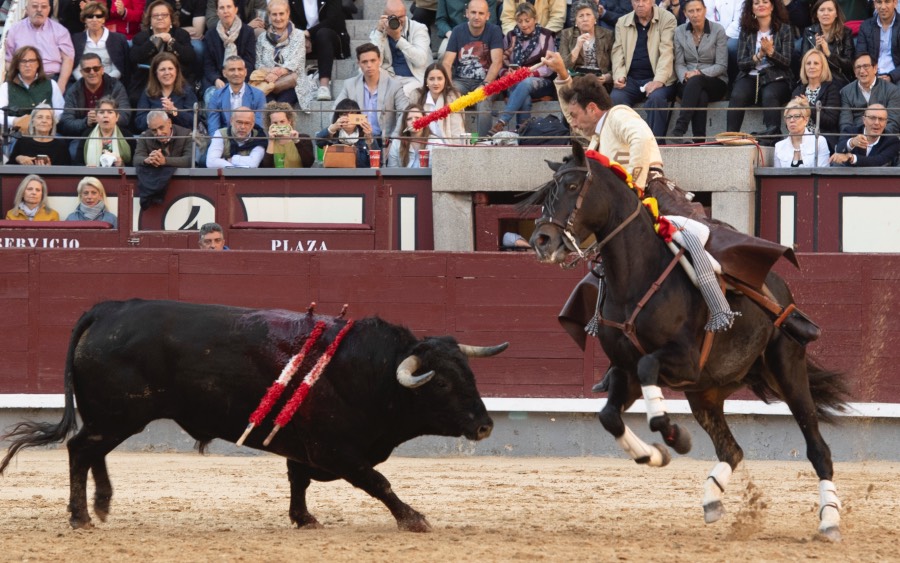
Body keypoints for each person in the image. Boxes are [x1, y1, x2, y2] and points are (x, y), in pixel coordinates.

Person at [545, 49, 738, 332]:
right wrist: (563, 75)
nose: (571, 122)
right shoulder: (597, 135)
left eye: (575, 115)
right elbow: (573, 112)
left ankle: (722, 307)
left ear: (592, 109)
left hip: (652, 192)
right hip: (628, 202)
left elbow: (642, 138)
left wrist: (633, 184)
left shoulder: (618, 115)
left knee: (691, 240)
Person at [726, 0, 794, 144]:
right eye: (756, 3)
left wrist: (771, 52)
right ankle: (730, 137)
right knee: (737, 95)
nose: (760, 5)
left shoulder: (785, 29)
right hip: (750, 75)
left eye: (765, 2)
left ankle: (772, 138)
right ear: (751, 8)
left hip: (776, 76)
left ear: (772, 6)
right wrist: (759, 56)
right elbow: (741, 63)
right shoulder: (746, 30)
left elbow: (787, 62)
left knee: (770, 95)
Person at [609, 0, 678, 140]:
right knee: (616, 98)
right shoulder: (622, 22)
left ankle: (655, 143)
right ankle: (626, 142)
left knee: (656, 98)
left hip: (659, 77)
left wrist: (658, 80)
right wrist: (620, 75)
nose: (640, 4)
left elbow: (667, 52)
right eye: (636, 1)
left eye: (644, 0)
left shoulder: (667, 18)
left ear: (652, 1)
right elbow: (617, 53)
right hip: (632, 79)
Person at [489, 3, 558, 134]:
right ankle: (521, 134)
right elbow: (501, 63)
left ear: (535, 19)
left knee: (525, 83)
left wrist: (528, 74)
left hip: (541, 80)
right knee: (524, 98)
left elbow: (549, 67)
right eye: (520, 21)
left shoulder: (546, 36)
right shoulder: (511, 36)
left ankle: (502, 121)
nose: (524, 25)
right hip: (515, 81)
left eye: (527, 20)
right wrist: (507, 72)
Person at [442, 0, 505, 137]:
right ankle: (455, 139)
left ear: (488, 15)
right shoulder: (457, 31)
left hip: (486, 80)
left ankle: (482, 141)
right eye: (473, 12)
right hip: (461, 81)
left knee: (483, 99)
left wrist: (485, 84)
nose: (477, 16)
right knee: (451, 96)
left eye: (481, 13)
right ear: (467, 13)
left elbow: (497, 62)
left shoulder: (494, 30)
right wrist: (450, 86)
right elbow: (446, 63)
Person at [670, 0, 727, 143]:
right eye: (691, 11)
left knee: (697, 81)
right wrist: (685, 76)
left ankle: (680, 127)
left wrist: (698, 73)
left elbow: (721, 65)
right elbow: (679, 63)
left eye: (698, 10)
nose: (695, 14)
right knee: (700, 95)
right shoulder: (679, 31)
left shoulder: (718, 30)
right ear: (685, 13)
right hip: (687, 81)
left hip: (715, 81)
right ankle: (699, 141)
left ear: (705, 10)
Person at [334, 43, 410, 148]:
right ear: (358, 63)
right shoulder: (350, 84)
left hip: (385, 140)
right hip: (358, 140)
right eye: (364, 62)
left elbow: (405, 112)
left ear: (379, 60)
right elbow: (335, 110)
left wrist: (394, 139)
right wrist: (345, 130)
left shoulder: (394, 85)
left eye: (373, 60)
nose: (369, 65)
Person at [129, 0, 197, 104]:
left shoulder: (181, 35)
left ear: (171, 18)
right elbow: (134, 57)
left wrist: (170, 41)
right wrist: (154, 41)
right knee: (135, 97)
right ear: (150, 19)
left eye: (164, 15)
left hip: (176, 80)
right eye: (155, 15)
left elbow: (189, 57)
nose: (160, 18)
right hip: (147, 81)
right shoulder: (141, 37)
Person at [284, 0, 352, 101]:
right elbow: (295, 23)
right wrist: (304, 38)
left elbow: (332, 20)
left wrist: (308, 33)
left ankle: (324, 86)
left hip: (332, 38)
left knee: (323, 34)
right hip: (306, 39)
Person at [59, 53, 132, 146]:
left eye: (96, 68)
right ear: (81, 72)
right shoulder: (74, 91)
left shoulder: (115, 86)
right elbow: (66, 122)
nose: (92, 72)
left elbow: (125, 115)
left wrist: (105, 118)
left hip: (113, 135)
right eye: (87, 69)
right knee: (74, 151)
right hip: (83, 137)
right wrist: (86, 122)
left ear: (102, 69)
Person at [4, 0, 75, 92]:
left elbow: (68, 60)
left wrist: (60, 86)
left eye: (44, 7)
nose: (39, 10)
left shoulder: (60, 31)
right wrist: (19, 82)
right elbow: (9, 62)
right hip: (24, 79)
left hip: (52, 78)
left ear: (49, 9)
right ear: (27, 9)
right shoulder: (15, 30)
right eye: (34, 6)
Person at [369, 0, 433, 96]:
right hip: (391, 76)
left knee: (400, 94)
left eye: (401, 17)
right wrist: (379, 33)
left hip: (415, 77)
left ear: (405, 13)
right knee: (364, 70)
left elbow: (420, 60)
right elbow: (373, 60)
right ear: (385, 16)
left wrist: (398, 38)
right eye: (394, 17)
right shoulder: (381, 30)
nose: (398, 21)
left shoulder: (419, 28)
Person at [253, 0, 310, 105]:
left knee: (280, 107)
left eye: (281, 13)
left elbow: (296, 62)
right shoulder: (262, 38)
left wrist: (277, 73)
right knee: (267, 106)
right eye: (274, 14)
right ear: (269, 15)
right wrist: (270, 72)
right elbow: (258, 63)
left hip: (290, 85)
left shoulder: (298, 35)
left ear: (288, 14)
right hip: (267, 82)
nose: (278, 18)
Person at [0, 46, 66, 132]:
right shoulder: (6, 87)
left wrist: (44, 120)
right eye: (23, 61)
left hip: (45, 133)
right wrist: (15, 120)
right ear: (17, 65)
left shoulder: (51, 84)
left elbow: (61, 111)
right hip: (17, 134)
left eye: (31, 61)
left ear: (38, 64)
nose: (28, 65)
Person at [203, 0, 257, 98]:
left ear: (236, 9)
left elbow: (249, 62)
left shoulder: (248, 32)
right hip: (217, 81)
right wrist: (216, 79)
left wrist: (237, 79)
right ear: (217, 12)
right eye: (222, 8)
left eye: (229, 7)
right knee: (212, 95)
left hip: (241, 79)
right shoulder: (210, 35)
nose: (225, 11)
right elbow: (208, 64)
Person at [135, 52, 198, 132]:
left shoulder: (187, 91)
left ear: (176, 71)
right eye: (162, 69)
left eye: (170, 69)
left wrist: (174, 111)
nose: (167, 73)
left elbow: (194, 121)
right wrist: (158, 114)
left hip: (181, 137)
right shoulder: (148, 92)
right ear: (155, 73)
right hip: (155, 137)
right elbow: (139, 123)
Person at [791, 49, 841, 148]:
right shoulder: (798, 91)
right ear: (804, 67)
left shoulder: (832, 89)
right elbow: (789, 121)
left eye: (816, 63)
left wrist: (809, 107)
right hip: (800, 139)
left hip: (823, 140)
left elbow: (831, 121)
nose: (812, 66)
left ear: (823, 67)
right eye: (808, 63)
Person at [839, 53, 900, 134]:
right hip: (857, 136)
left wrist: (877, 139)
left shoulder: (892, 90)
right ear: (854, 72)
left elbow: (893, 122)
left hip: (883, 137)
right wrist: (853, 139)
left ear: (875, 68)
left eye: (866, 66)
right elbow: (845, 123)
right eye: (858, 67)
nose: (862, 71)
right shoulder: (846, 91)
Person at [799, 0, 854, 88]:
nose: (825, 13)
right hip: (814, 77)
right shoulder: (808, 32)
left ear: (836, 14)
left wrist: (828, 53)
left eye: (830, 10)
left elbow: (849, 64)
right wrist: (816, 50)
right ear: (817, 14)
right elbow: (803, 61)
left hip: (837, 78)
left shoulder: (846, 33)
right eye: (822, 10)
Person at [71, 2, 130, 85]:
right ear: (84, 19)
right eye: (90, 16)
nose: (94, 20)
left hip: (111, 84)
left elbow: (118, 69)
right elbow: (75, 68)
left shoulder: (118, 39)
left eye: (99, 16)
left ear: (104, 19)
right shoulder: (76, 39)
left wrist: (102, 84)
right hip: (83, 84)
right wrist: (87, 83)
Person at [408, 63, 467, 142]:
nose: (435, 83)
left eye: (439, 79)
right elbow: (407, 123)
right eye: (431, 79)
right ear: (426, 81)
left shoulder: (453, 97)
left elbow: (457, 128)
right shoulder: (417, 96)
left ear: (445, 80)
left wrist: (454, 147)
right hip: (424, 144)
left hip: (447, 145)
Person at [558, 1, 614, 84]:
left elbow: (616, 65)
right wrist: (577, 47)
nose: (585, 19)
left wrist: (608, 77)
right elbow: (562, 67)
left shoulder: (607, 35)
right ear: (575, 21)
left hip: (600, 83)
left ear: (595, 19)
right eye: (581, 16)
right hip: (576, 82)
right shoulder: (567, 34)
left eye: (588, 15)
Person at [206, 55, 266, 132]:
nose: (236, 73)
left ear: (245, 72)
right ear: (224, 73)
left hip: (250, 137)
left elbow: (259, 127)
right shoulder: (216, 95)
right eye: (232, 70)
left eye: (240, 69)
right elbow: (213, 127)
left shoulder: (258, 95)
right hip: (225, 137)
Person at [830, 103, 900, 166]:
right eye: (872, 118)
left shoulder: (892, 141)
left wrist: (851, 157)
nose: (876, 123)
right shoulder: (850, 131)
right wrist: (852, 142)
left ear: (886, 123)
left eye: (881, 119)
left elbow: (879, 160)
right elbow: (839, 148)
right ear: (864, 120)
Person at [75, 96, 136, 166]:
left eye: (110, 112)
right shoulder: (87, 134)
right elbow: (78, 162)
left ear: (117, 117)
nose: (105, 116)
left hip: (117, 173)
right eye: (101, 112)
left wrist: (122, 164)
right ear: (96, 117)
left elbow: (134, 164)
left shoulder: (127, 135)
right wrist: (87, 168)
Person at [315, 98, 374, 168]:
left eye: (352, 114)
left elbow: (376, 161)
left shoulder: (365, 135)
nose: (348, 118)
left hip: (359, 174)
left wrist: (369, 140)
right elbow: (318, 142)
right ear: (338, 117)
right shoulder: (333, 134)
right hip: (336, 173)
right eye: (344, 114)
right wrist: (332, 128)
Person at [774, 98, 831, 167]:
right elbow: (778, 173)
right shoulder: (779, 146)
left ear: (806, 120)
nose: (791, 120)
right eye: (788, 117)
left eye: (796, 116)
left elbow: (823, 171)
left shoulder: (819, 142)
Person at [855, 0, 900, 84]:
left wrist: (891, 77)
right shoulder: (866, 26)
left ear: (895, 3)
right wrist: (872, 75)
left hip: (897, 77)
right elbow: (860, 56)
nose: (883, 7)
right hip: (871, 75)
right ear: (874, 4)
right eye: (879, 2)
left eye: (887, 2)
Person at [261, 101, 315, 167]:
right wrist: (271, 141)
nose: (279, 125)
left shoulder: (304, 138)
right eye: (275, 123)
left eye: (282, 121)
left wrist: (296, 141)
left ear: (289, 121)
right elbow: (267, 167)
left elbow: (309, 163)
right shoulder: (268, 143)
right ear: (270, 124)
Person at [704, 0, 742, 85]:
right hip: (709, 34)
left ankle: (734, 80)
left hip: (731, 35)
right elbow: (704, 17)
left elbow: (738, 20)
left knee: (730, 46)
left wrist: (722, 37)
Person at [500, 0, 567, 35]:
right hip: (519, 35)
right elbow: (507, 18)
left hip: (545, 33)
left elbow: (558, 17)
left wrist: (543, 35)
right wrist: (515, 35)